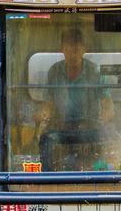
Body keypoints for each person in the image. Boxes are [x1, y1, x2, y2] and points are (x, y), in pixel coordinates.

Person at [35, 29, 114, 170]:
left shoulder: (95, 72)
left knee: (106, 138)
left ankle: (101, 179)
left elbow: (107, 105)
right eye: (68, 48)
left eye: (76, 48)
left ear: (84, 49)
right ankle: (48, 180)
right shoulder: (54, 71)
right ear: (62, 49)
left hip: (90, 127)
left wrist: (102, 120)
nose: (72, 53)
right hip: (61, 127)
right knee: (46, 138)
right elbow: (49, 102)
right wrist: (43, 114)